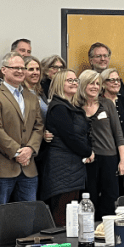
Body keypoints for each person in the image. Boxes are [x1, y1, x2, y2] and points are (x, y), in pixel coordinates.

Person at [0, 52, 44, 208]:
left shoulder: (32, 97)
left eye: (23, 68)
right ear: (4, 70)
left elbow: (38, 126)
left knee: (28, 215)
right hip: (4, 168)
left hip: (29, 167)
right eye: (15, 68)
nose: (20, 71)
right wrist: (18, 152)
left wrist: (30, 149)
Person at [41, 70, 92, 221]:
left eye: (76, 80)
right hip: (62, 167)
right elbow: (71, 137)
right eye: (69, 80)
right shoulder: (59, 108)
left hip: (73, 166)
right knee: (63, 216)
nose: (74, 82)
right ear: (59, 83)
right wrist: (88, 152)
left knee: (71, 215)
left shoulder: (70, 106)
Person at [80, 70, 124, 215]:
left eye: (97, 83)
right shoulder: (75, 106)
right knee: (89, 198)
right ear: (82, 84)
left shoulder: (107, 104)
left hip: (109, 157)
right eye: (90, 83)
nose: (94, 87)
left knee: (110, 198)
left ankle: (107, 232)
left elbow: (118, 133)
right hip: (87, 160)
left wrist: (123, 160)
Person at [101, 67, 124, 195]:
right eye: (112, 80)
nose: (116, 83)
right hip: (106, 155)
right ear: (103, 83)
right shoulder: (98, 103)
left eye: (118, 80)